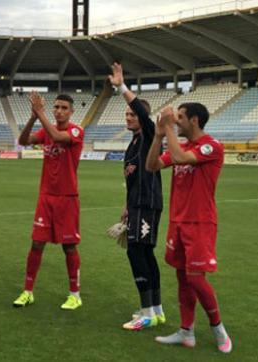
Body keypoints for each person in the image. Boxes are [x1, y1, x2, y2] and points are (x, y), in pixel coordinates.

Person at [146, 104, 232, 353]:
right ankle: (187, 332)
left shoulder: (211, 145)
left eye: (180, 118)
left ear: (194, 120)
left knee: (196, 277)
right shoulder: (179, 145)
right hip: (178, 222)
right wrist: (159, 136)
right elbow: (152, 166)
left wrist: (169, 127)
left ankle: (218, 328)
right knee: (182, 276)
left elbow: (182, 159)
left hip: (200, 222)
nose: (177, 121)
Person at [106, 62, 165, 330]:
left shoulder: (150, 135)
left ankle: (146, 313)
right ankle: (156, 310)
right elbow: (133, 179)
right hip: (138, 205)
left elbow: (142, 111)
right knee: (145, 254)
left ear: (142, 117)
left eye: (132, 114)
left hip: (148, 203)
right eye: (126, 114)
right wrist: (127, 207)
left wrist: (121, 87)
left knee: (136, 254)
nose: (128, 117)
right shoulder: (133, 142)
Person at [13, 92, 84, 310]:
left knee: (69, 247)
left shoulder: (75, 130)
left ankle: (75, 295)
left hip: (67, 198)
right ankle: (27, 291)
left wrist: (40, 112)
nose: (59, 111)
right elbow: (23, 141)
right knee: (36, 243)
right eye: (57, 107)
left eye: (64, 108)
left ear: (71, 112)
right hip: (46, 196)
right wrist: (34, 117)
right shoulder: (45, 129)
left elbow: (58, 136)